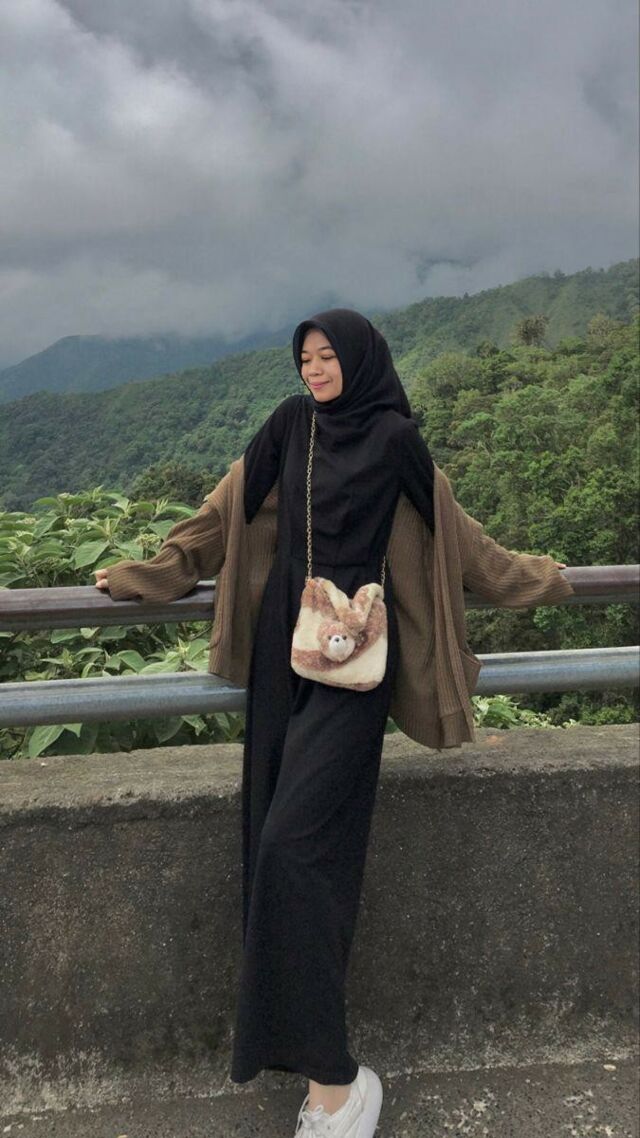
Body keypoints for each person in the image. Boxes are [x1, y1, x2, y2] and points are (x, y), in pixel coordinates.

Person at [96, 308, 569, 1138]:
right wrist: (155, 573)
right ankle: (323, 1079)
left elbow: (457, 538)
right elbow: (222, 515)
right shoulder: (291, 426)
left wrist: (538, 579)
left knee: (295, 847)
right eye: (304, 358)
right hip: (284, 654)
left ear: (360, 359)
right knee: (274, 850)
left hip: (359, 662)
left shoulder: (394, 438)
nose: (313, 370)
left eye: (326, 357)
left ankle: (337, 1083)